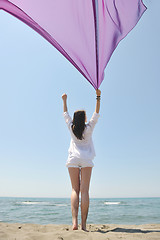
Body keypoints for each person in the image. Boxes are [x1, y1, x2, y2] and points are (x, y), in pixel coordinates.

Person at [62, 89, 101, 231]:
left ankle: (74, 222)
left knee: (74, 189)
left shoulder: (71, 128)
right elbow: (96, 114)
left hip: (73, 159)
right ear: (84, 119)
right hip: (86, 160)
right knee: (84, 191)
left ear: (75, 119)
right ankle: (84, 225)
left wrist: (64, 100)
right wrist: (98, 96)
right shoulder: (89, 128)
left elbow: (65, 114)